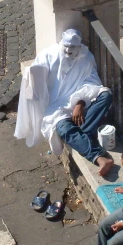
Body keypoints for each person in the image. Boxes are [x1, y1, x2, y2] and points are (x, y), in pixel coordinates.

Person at [15, 29, 115, 176]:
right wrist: (33, 76)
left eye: (73, 47)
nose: (68, 50)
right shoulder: (49, 55)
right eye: (66, 46)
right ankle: (99, 157)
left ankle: (82, 134)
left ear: (79, 46)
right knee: (63, 128)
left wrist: (80, 103)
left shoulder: (86, 57)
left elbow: (93, 82)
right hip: (57, 107)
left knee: (106, 95)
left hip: (81, 100)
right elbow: (37, 76)